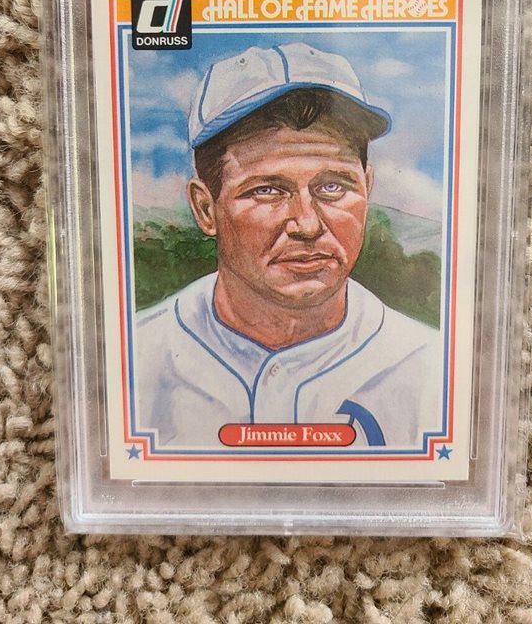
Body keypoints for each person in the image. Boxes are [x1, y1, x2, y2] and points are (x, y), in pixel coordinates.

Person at [134, 42, 440, 449]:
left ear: (367, 188)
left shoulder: (432, 367)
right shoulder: (133, 359)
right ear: (206, 209)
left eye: (333, 187)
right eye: (267, 190)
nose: (307, 225)